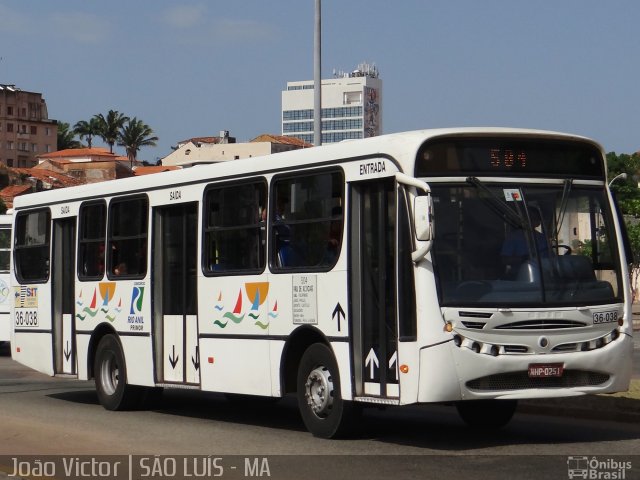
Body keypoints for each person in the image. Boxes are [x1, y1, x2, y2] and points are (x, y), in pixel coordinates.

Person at [501, 209, 548, 277]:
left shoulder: (543, 238)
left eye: (534, 218)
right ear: (522, 220)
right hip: (518, 278)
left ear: (538, 222)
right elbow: (504, 260)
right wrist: (523, 259)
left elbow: (550, 257)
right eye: (528, 218)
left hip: (543, 277)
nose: (530, 221)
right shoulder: (513, 237)